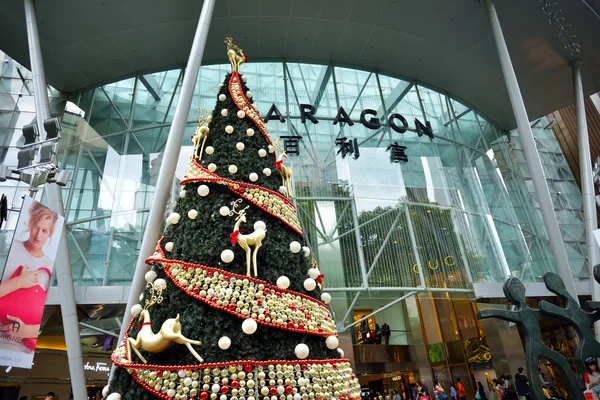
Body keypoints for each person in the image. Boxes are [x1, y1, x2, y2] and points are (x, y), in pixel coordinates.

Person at [0, 202, 58, 351]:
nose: (38, 235)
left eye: (44, 231)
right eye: (36, 227)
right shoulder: (9, 247)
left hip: (21, 349)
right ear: (30, 224)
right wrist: (19, 282)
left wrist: (26, 331)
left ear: (50, 233)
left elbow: (55, 319)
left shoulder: (50, 266)